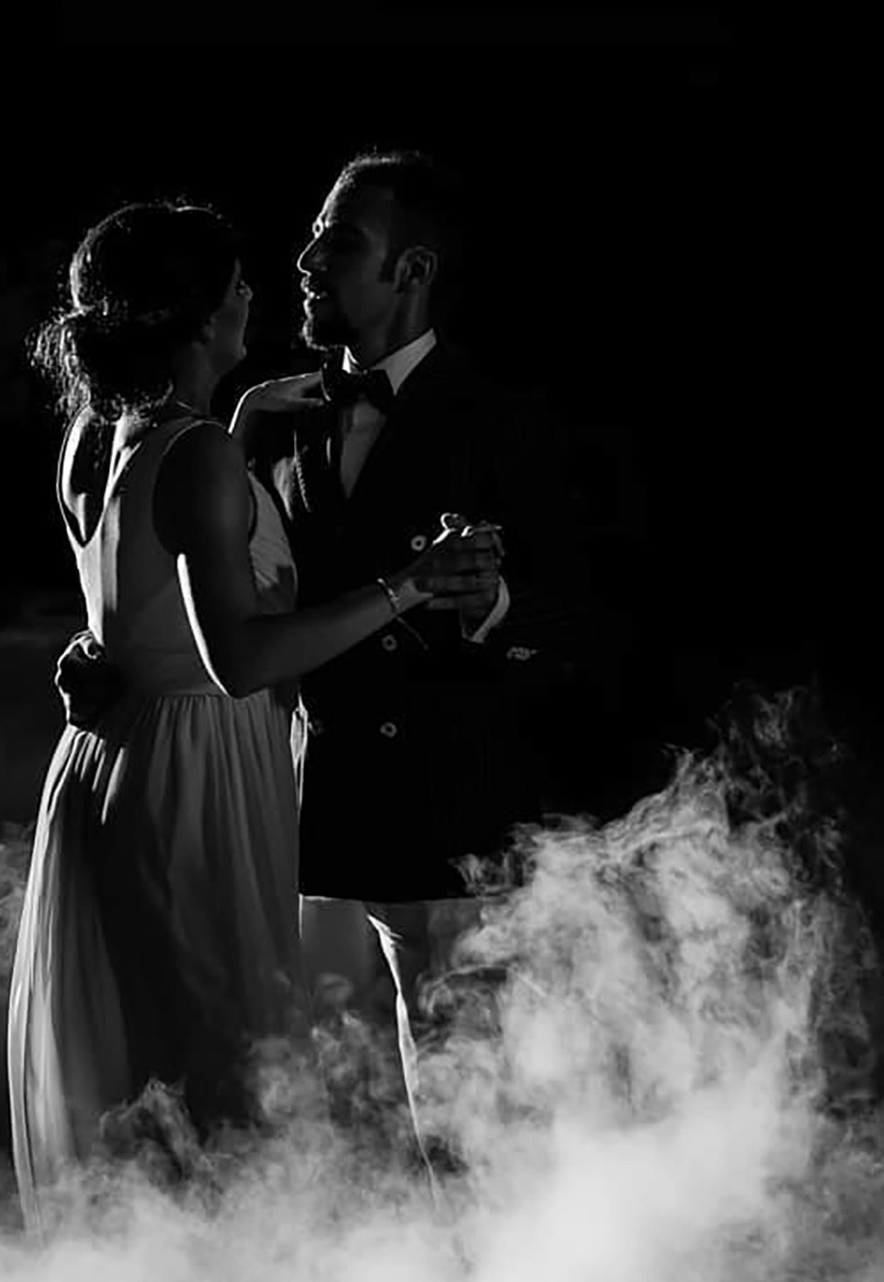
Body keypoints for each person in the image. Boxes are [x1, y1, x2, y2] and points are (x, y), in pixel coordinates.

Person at [8, 201, 500, 1228]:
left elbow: (146, 583)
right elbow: (239, 657)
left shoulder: (93, 432)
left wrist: (233, 425)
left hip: (110, 757)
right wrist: (411, 586)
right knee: (223, 1062)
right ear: (196, 314)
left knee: (150, 1053)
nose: (255, 297)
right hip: (197, 764)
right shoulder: (200, 454)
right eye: (236, 286)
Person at [228, 149, 610, 1167]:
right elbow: (228, 595)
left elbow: (589, 613)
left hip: (450, 809)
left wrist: (495, 603)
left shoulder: (504, 416)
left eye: (340, 240)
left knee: (465, 1099)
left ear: (413, 270)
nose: (307, 259)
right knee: (318, 1096)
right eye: (314, 235)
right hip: (302, 802)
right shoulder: (274, 417)